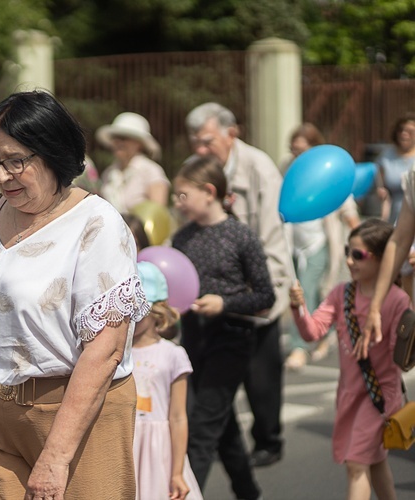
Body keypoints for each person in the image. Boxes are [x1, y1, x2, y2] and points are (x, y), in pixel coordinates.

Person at [0, 90, 150, 499]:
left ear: (55, 155)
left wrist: (56, 458)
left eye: (16, 161)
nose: (1, 175)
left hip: (74, 417)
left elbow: (105, 352)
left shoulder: (97, 224)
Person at [185, 102, 292, 467]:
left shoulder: (259, 168)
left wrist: (266, 299)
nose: (200, 150)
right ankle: (235, 464)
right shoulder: (197, 171)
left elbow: (275, 238)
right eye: (195, 142)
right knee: (215, 387)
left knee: (261, 378)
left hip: (254, 291)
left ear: (232, 133)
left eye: (207, 141)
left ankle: (268, 440)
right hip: (214, 297)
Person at [171, 155, 273, 500]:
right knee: (222, 424)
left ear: (209, 192)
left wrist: (224, 303)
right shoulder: (181, 239)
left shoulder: (241, 236)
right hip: (194, 340)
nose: (177, 202)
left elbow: (265, 295)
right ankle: (248, 492)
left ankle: (182, 494)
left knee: (201, 429)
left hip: (231, 341)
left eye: (183, 195)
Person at [290, 219, 407, 500]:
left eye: (358, 255)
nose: (349, 261)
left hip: (379, 398)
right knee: (375, 463)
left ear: (382, 260)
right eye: (347, 251)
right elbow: (312, 332)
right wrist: (298, 308)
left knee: (356, 464)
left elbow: (403, 359)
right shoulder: (341, 293)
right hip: (349, 396)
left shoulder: (397, 300)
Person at [132, 261, 202, 500]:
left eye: (138, 310)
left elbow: (178, 416)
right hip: (124, 447)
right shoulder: (115, 354)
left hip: (159, 452)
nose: (131, 317)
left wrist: (177, 472)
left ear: (157, 311)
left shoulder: (173, 354)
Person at [281, 124, 345, 370]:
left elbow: (341, 196)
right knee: (311, 293)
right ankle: (322, 334)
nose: (297, 155)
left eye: (302, 149)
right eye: (294, 149)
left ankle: (299, 347)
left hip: (317, 242)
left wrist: (350, 219)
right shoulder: (286, 167)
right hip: (292, 243)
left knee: (304, 290)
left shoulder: (324, 167)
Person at [375, 114, 415, 302]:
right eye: (402, 130)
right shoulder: (387, 155)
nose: (405, 134)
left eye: (410, 131)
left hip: (410, 214)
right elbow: (380, 181)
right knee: (398, 264)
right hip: (395, 213)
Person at [97, 112, 171, 214]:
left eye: (124, 138)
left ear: (139, 143)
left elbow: (158, 213)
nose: (118, 142)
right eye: (115, 137)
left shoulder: (150, 170)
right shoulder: (108, 173)